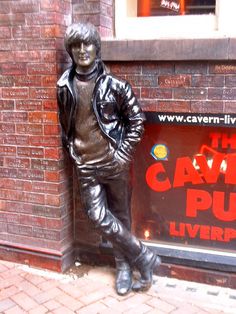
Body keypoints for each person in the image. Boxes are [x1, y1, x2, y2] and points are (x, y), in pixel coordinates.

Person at [57, 22, 161, 296]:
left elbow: (136, 120)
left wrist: (122, 154)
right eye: (76, 46)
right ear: (70, 50)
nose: (82, 50)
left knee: (121, 217)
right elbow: (65, 125)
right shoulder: (63, 86)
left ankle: (125, 268)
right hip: (85, 165)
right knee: (97, 216)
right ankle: (143, 255)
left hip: (113, 163)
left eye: (87, 44)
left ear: (97, 47)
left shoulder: (115, 86)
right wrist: (73, 151)